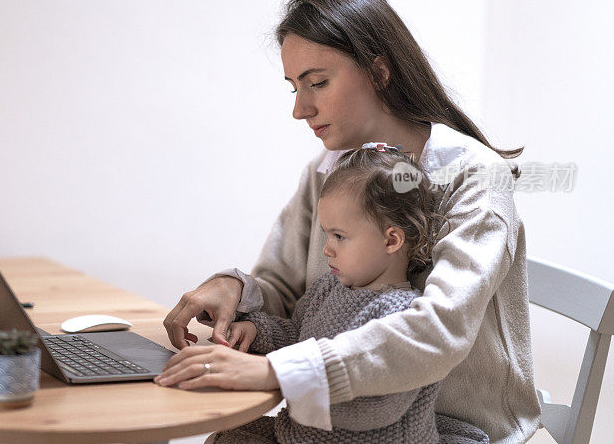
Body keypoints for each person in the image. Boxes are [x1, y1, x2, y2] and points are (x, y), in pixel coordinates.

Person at [157, 0, 541, 443]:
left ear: (379, 73)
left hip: (455, 431)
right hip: (345, 425)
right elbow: (286, 292)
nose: (301, 109)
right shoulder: (329, 173)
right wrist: (233, 290)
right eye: (294, 87)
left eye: (317, 82)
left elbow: (439, 329)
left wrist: (276, 372)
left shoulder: (474, 178)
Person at [204, 145, 489, 443]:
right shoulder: (330, 288)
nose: (327, 248)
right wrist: (257, 331)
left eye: (339, 236)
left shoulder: (402, 315)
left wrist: (288, 379)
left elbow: (375, 408)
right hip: (302, 434)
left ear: (391, 239)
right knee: (223, 437)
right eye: (327, 234)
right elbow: (298, 336)